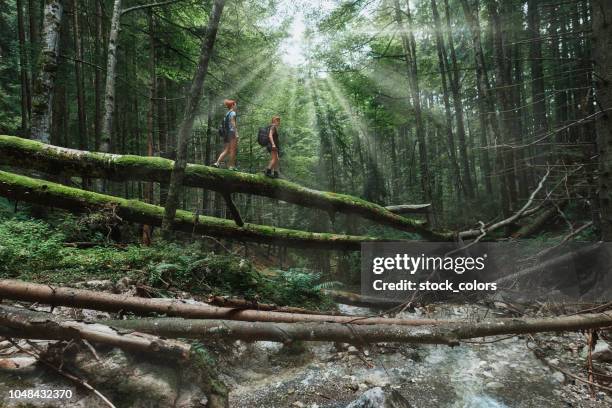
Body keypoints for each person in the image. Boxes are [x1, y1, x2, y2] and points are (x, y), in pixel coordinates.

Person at [213, 99, 238, 170]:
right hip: (232, 132)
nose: (236, 106)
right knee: (233, 150)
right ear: (233, 105)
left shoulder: (227, 114)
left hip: (226, 134)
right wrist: (236, 133)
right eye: (235, 104)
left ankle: (217, 163)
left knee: (226, 150)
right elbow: (233, 123)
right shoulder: (233, 113)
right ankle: (231, 166)